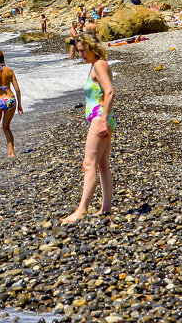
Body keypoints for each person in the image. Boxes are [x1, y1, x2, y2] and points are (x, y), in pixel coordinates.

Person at [62, 36, 114, 224]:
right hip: (104, 117)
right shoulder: (99, 64)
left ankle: (81, 210)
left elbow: (109, 92)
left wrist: (103, 119)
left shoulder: (99, 65)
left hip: (100, 117)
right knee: (102, 165)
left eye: (83, 50)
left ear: (93, 48)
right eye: (79, 50)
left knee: (88, 164)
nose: (80, 54)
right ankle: (106, 208)